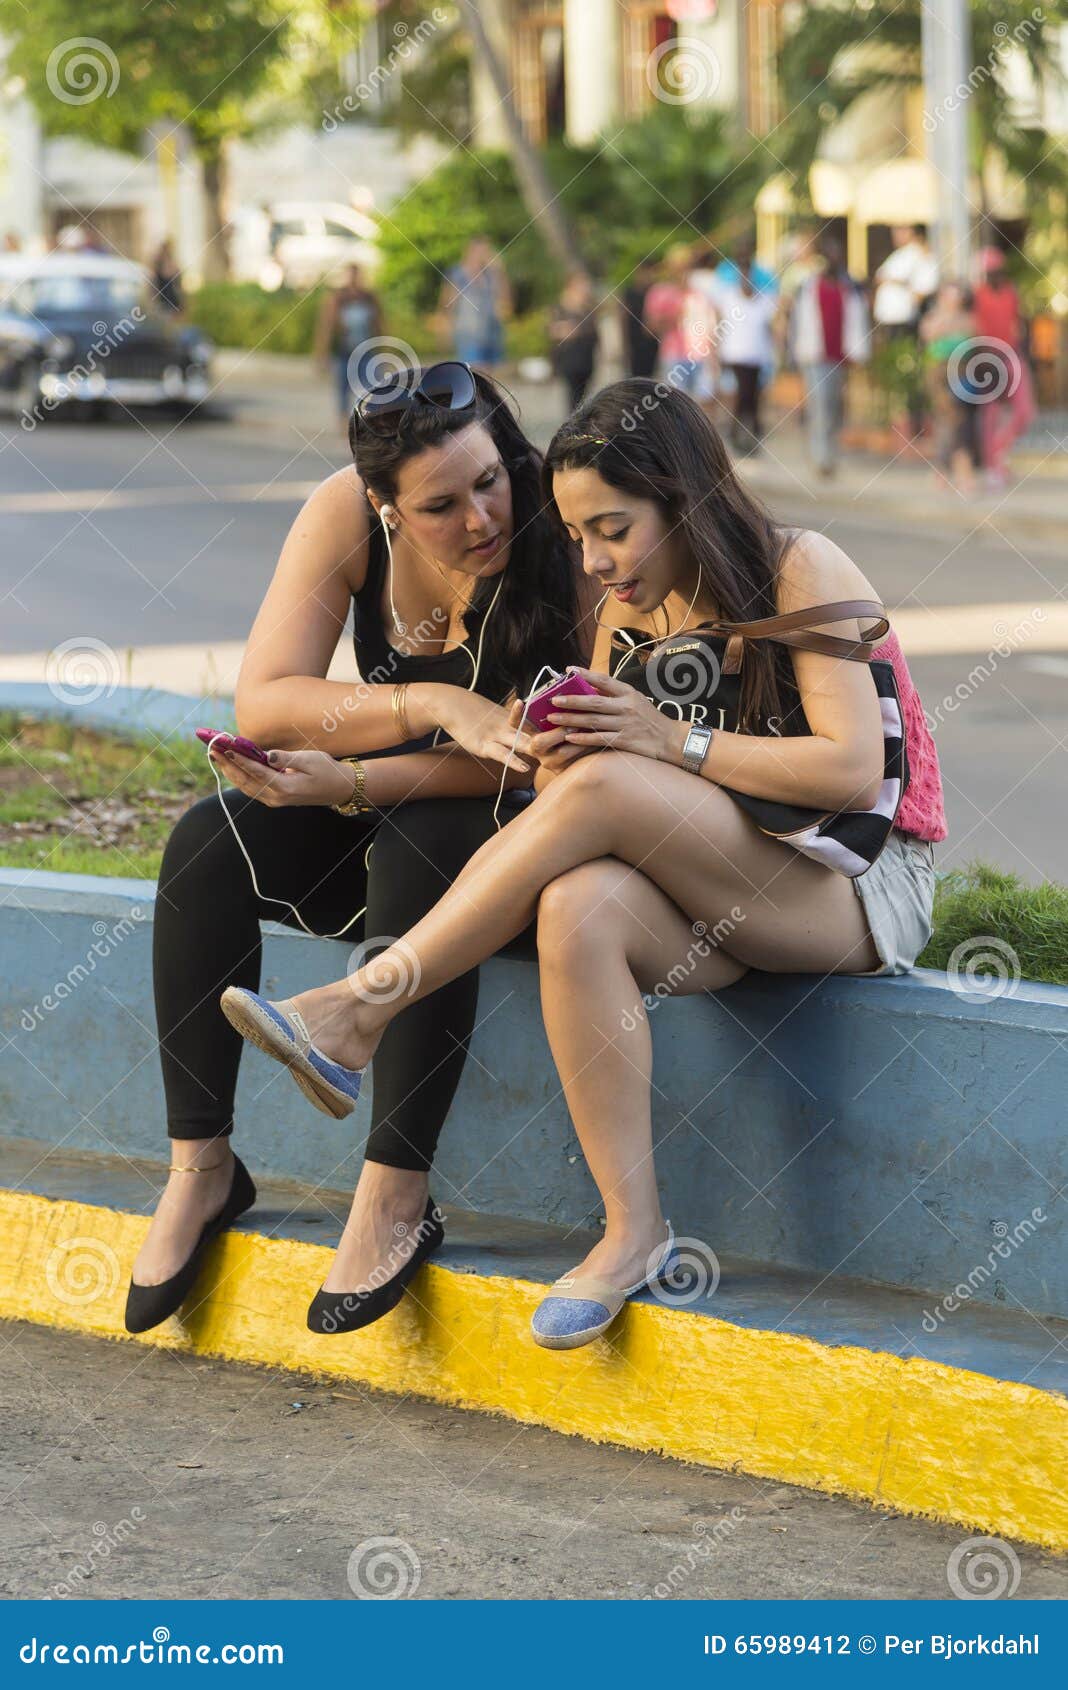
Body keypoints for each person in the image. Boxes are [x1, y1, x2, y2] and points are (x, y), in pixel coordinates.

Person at [219, 379, 947, 1349]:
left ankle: (364, 1006)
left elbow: (849, 769)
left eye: (613, 529)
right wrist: (348, 785)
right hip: (721, 888)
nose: (595, 562)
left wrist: (664, 739)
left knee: (606, 791)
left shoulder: (801, 565)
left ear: (679, 493)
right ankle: (632, 1230)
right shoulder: (630, 610)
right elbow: (559, 785)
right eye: (578, 537)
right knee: (576, 903)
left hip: (855, 881)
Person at [124, 361, 592, 1337]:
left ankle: (394, 1193)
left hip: (521, 837)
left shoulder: (564, 523)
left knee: (426, 835)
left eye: (490, 478)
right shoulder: (342, 512)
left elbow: (550, 774)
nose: (480, 516)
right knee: (210, 840)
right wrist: (432, 705)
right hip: (397, 798)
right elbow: (269, 700)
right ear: (384, 506)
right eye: (440, 504)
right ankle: (203, 1169)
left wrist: (366, 777)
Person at [792, 237, 870, 478]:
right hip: (815, 354)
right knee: (820, 405)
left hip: (840, 356)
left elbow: (859, 320)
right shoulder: (809, 286)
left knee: (834, 407)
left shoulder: (850, 288)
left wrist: (860, 351)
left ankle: (829, 452)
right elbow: (798, 322)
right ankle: (821, 456)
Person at [973, 248, 1036, 489]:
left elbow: (1019, 324)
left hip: (1012, 355)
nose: (993, 276)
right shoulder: (977, 296)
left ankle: (998, 452)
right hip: (988, 358)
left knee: (1024, 413)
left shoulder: (1011, 293)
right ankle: (993, 465)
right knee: (991, 415)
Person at [710, 247, 779, 453]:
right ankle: (740, 434)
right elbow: (719, 324)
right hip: (735, 354)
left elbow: (771, 328)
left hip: (757, 356)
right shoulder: (728, 297)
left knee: (751, 397)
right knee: (742, 396)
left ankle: (745, 435)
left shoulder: (764, 300)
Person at [920, 280, 981, 496]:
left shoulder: (968, 319)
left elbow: (972, 335)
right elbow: (929, 334)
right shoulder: (933, 317)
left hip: (962, 373)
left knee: (958, 423)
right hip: (938, 375)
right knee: (947, 422)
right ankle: (957, 472)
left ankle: (952, 471)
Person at [314, 263, 384, 425]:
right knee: (343, 388)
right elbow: (326, 327)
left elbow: (379, 324)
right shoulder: (338, 298)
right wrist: (321, 353)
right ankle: (343, 421)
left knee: (373, 387)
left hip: (366, 350)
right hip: (346, 350)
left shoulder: (369, 297)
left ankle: (371, 419)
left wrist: (384, 350)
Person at [437, 237, 512, 371]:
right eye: (481, 251)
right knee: (474, 372)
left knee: (490, 375)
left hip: (492, 332)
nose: (484, 255)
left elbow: (505, 298)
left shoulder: (491, 274)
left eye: (487, 251)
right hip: (468, 332)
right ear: (470, 252)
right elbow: (447, 302)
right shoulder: (458, 273)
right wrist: (446, 326)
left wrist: (499, 271)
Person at [873, 225, 939, 340]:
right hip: (892, 315)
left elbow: (924, 287)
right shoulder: (901, 253)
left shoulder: (918, 254)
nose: (896, 235)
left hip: (904, 315)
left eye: (901, 231)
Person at [548, 270, 600, 412]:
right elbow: (552, 330)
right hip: (570, 358)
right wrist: (564, 329)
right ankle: (573, 428)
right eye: (582, 284)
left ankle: (580, 425)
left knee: (584, 396)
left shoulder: (589, 308)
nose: (585, 288)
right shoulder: (561, 307)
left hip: (587, 358)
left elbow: (595, 333)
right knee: (573, 396)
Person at [642, 245, 693, 380]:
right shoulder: (659, 291)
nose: (683, 270)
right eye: (679, 265)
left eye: (687, 265)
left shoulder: (699, 289)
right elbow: (649, 327)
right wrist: (674, 317)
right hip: (673, 356)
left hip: (700, 357)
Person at [619, 258, 661, 378]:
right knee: (635, 376)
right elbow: (623, 318)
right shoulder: (629, 292)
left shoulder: (654, 291)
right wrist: (624, 345)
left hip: (652, 342)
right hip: (634, 342)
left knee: (651, 376)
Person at [149, 239, 183, 316]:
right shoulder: (157, 265)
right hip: (161, 302)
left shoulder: (173, 264)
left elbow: (178, 285)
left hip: (172, 301)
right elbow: (153, 283)